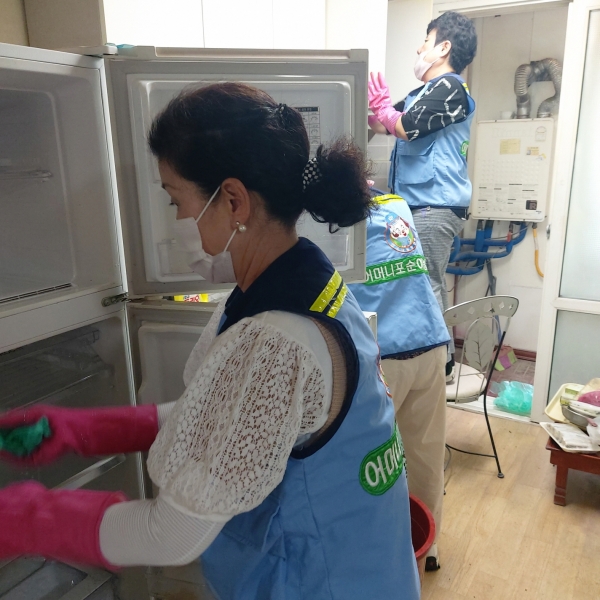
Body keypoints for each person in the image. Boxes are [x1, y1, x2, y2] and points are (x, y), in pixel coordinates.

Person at [0, 82, 420, 600]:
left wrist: (24, 518)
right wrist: (89, 431)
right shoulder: (305, 283)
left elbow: (170, 535)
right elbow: (228, 418)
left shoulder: (277, 340)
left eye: (176, 200)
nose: (176, 221)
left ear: (234, 200)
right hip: (366, 570)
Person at [368, 11, 478, 380]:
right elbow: (383, 123)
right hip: (417, 204)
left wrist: (385, 110)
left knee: (428, 280)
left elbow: (404, 127)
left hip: (436, 204)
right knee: (421, 279)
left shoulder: (451, 90)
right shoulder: (422, 94)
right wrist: (367, 108)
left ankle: (440, 364)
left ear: (444, 47)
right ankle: (431, 359)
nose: (419, 48)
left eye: (426, 41)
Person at [348, 188, 450, 572]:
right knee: (426, 455)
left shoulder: (329, 220)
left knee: (373, 464)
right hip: (429, 341)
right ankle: (427, 545)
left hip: (384, 352)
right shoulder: (397, 205)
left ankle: (378, 555)